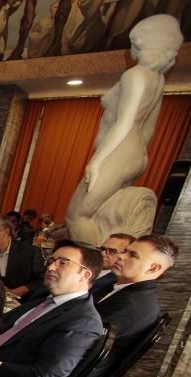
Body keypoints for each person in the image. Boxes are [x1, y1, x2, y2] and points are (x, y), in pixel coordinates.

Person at [65, 15, 184, 243]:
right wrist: (140, 157)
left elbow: (125, 122)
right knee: (102, 215)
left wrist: (97, 161)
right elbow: (148, 126)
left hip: (118, 153)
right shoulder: (156, 79)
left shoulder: (135, 74)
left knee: (76, 215)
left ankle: (93, 269)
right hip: (135, 154)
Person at [0, 241, 104, 377]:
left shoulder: (82, 321)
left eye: (62, 262)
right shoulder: (47, 299)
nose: (51, 267)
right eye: (51, 260)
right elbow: (2, 326)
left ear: (85, 274)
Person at [94, 234, 176, 365]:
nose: (121, 256)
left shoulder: (135, 305)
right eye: (125, 251)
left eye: (133, 255)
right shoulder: (121, 286)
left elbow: (83, 340)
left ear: (153, 268)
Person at [92, 233, 135, 299]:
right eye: (102, 249)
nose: (102, 253)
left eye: (112, 251)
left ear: (126, 255)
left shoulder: (117, 282)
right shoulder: (89, 264)